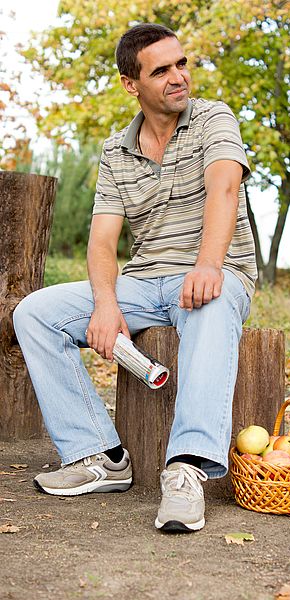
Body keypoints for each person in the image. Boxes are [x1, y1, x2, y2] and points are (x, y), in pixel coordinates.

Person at [13, 23, 257, 533]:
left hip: (217, 272)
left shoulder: (214, 118)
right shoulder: (115, 151)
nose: (178, 77)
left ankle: (187, 470)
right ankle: (99, 455)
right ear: (132, 84)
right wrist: (105, 304)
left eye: (182, 64)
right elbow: (102, 242)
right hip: (144, 281)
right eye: (162, 70)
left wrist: (208, 263)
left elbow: (224, 190)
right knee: (35, 313)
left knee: (210, 306)